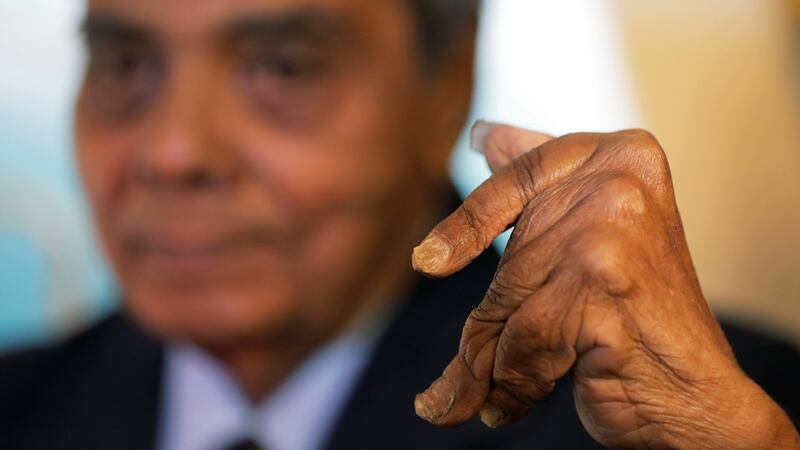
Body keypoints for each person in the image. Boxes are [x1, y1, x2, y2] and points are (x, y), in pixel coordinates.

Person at [1, 0, 798, 449]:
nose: (172, 151)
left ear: (446, 86)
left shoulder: (705, 419)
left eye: (282, 66)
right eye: (126, 65)